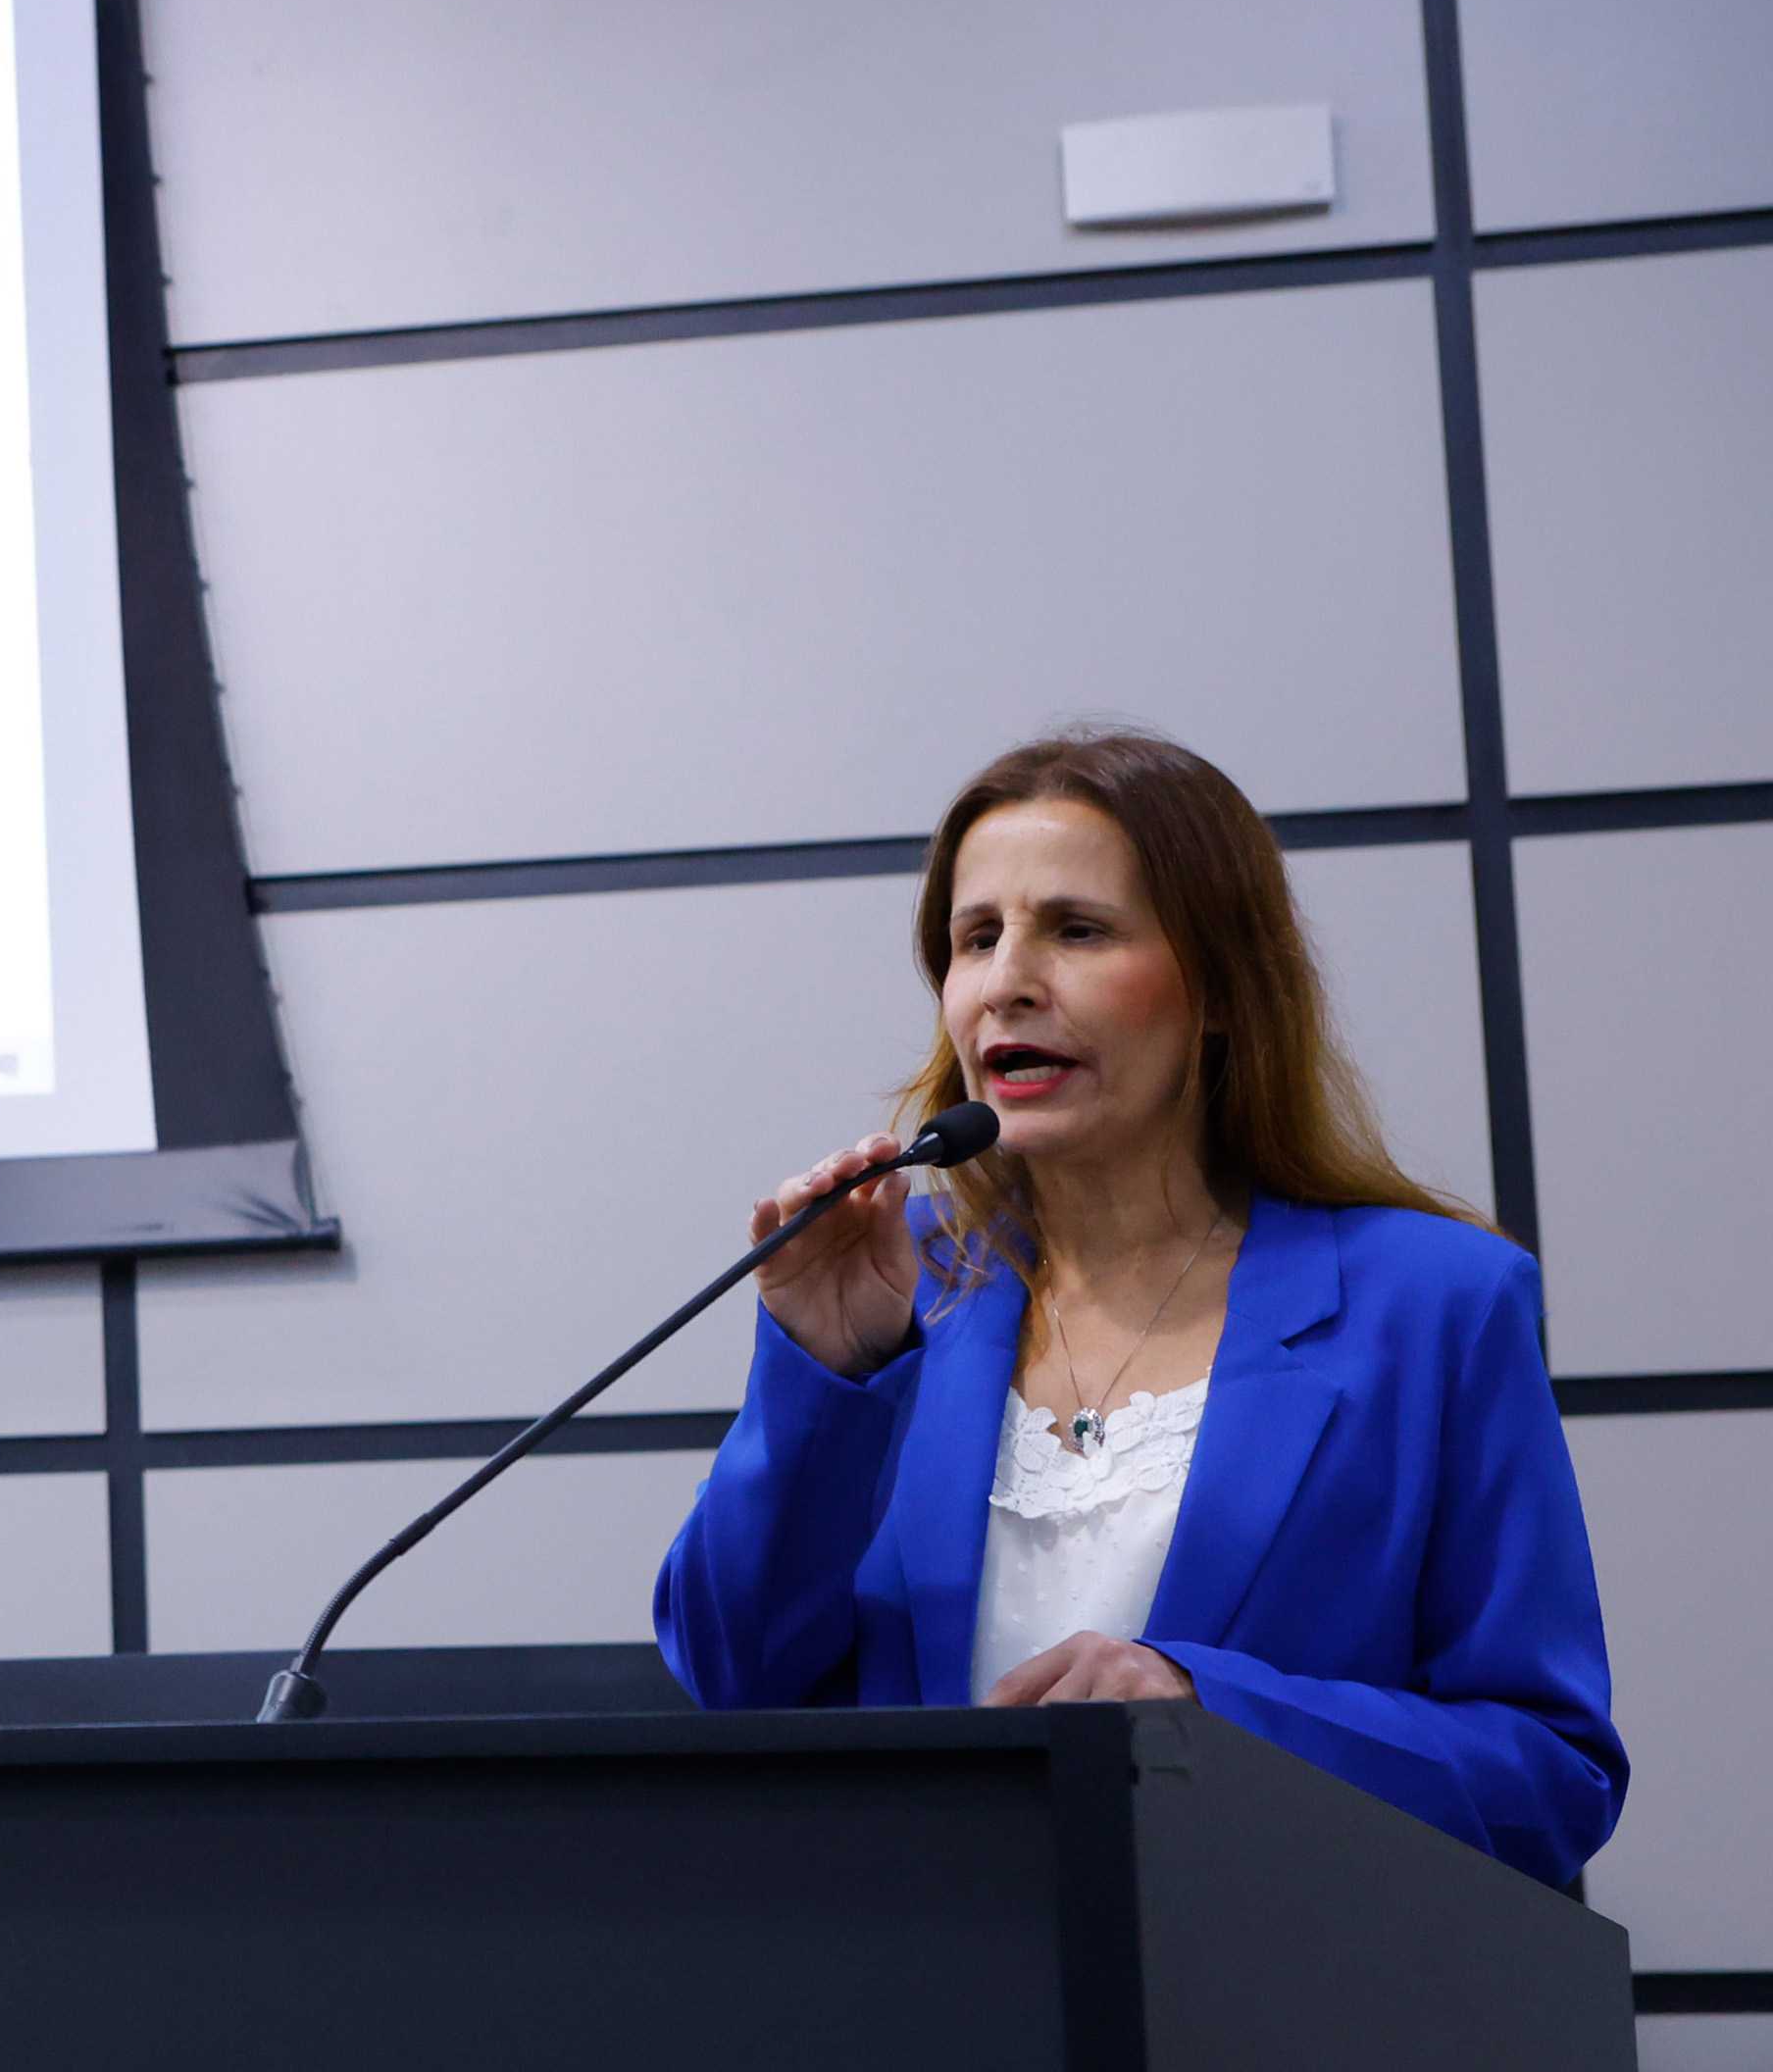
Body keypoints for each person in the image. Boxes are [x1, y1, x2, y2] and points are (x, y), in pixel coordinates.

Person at [653, 728, 1623, 1887]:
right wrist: (826, 1376)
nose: (1008, 981)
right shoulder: (897, 1281)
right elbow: (734, 1677)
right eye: (977, 938)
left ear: (1218, 988)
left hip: (1263, 1978)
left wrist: (1204, 1714)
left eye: (1077, 930)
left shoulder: (1434, 1305)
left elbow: (1549, 1773)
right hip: (925, 1969)